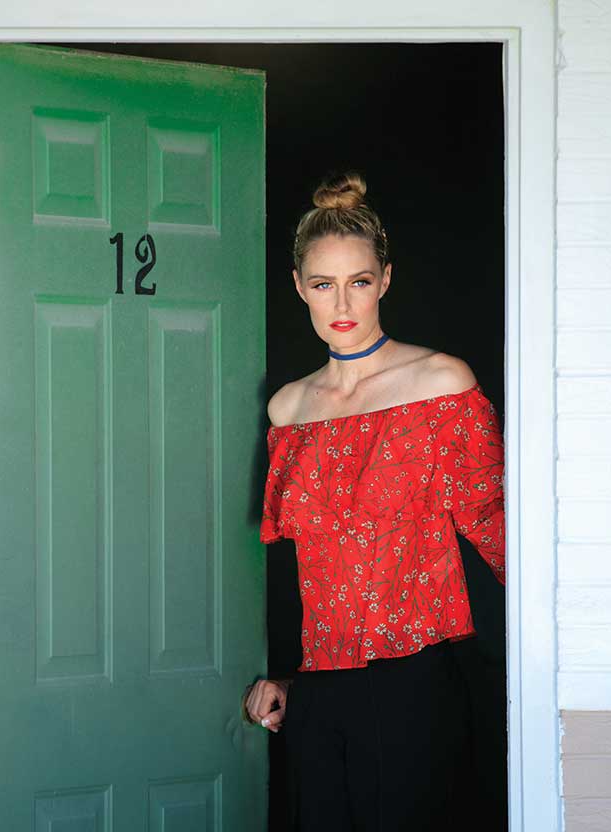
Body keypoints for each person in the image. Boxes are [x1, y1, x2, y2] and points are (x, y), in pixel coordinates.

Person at [242, 171, 506, 831]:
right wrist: (284, 677)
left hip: (418, 683)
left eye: (358, 281)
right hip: (318, 692)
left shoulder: (441, 384)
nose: (342, 302)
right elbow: (299, 568)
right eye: (323, 284)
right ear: (298, 286)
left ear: (384, 280)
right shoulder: (287, 411)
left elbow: (502, 535)